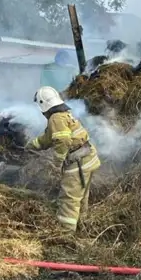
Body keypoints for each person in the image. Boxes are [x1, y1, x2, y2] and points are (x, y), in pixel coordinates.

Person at [25, 86, 100, 232]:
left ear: (43, 104)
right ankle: (82, 226)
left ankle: (66, 234)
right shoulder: (64, 114)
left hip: (78, 163)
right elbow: (48, 138)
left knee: (69, 199)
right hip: (88, 157)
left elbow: (63, 141)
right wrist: (32, 145)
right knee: (81, 196)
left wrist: (57, 162)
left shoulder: (55, 118)